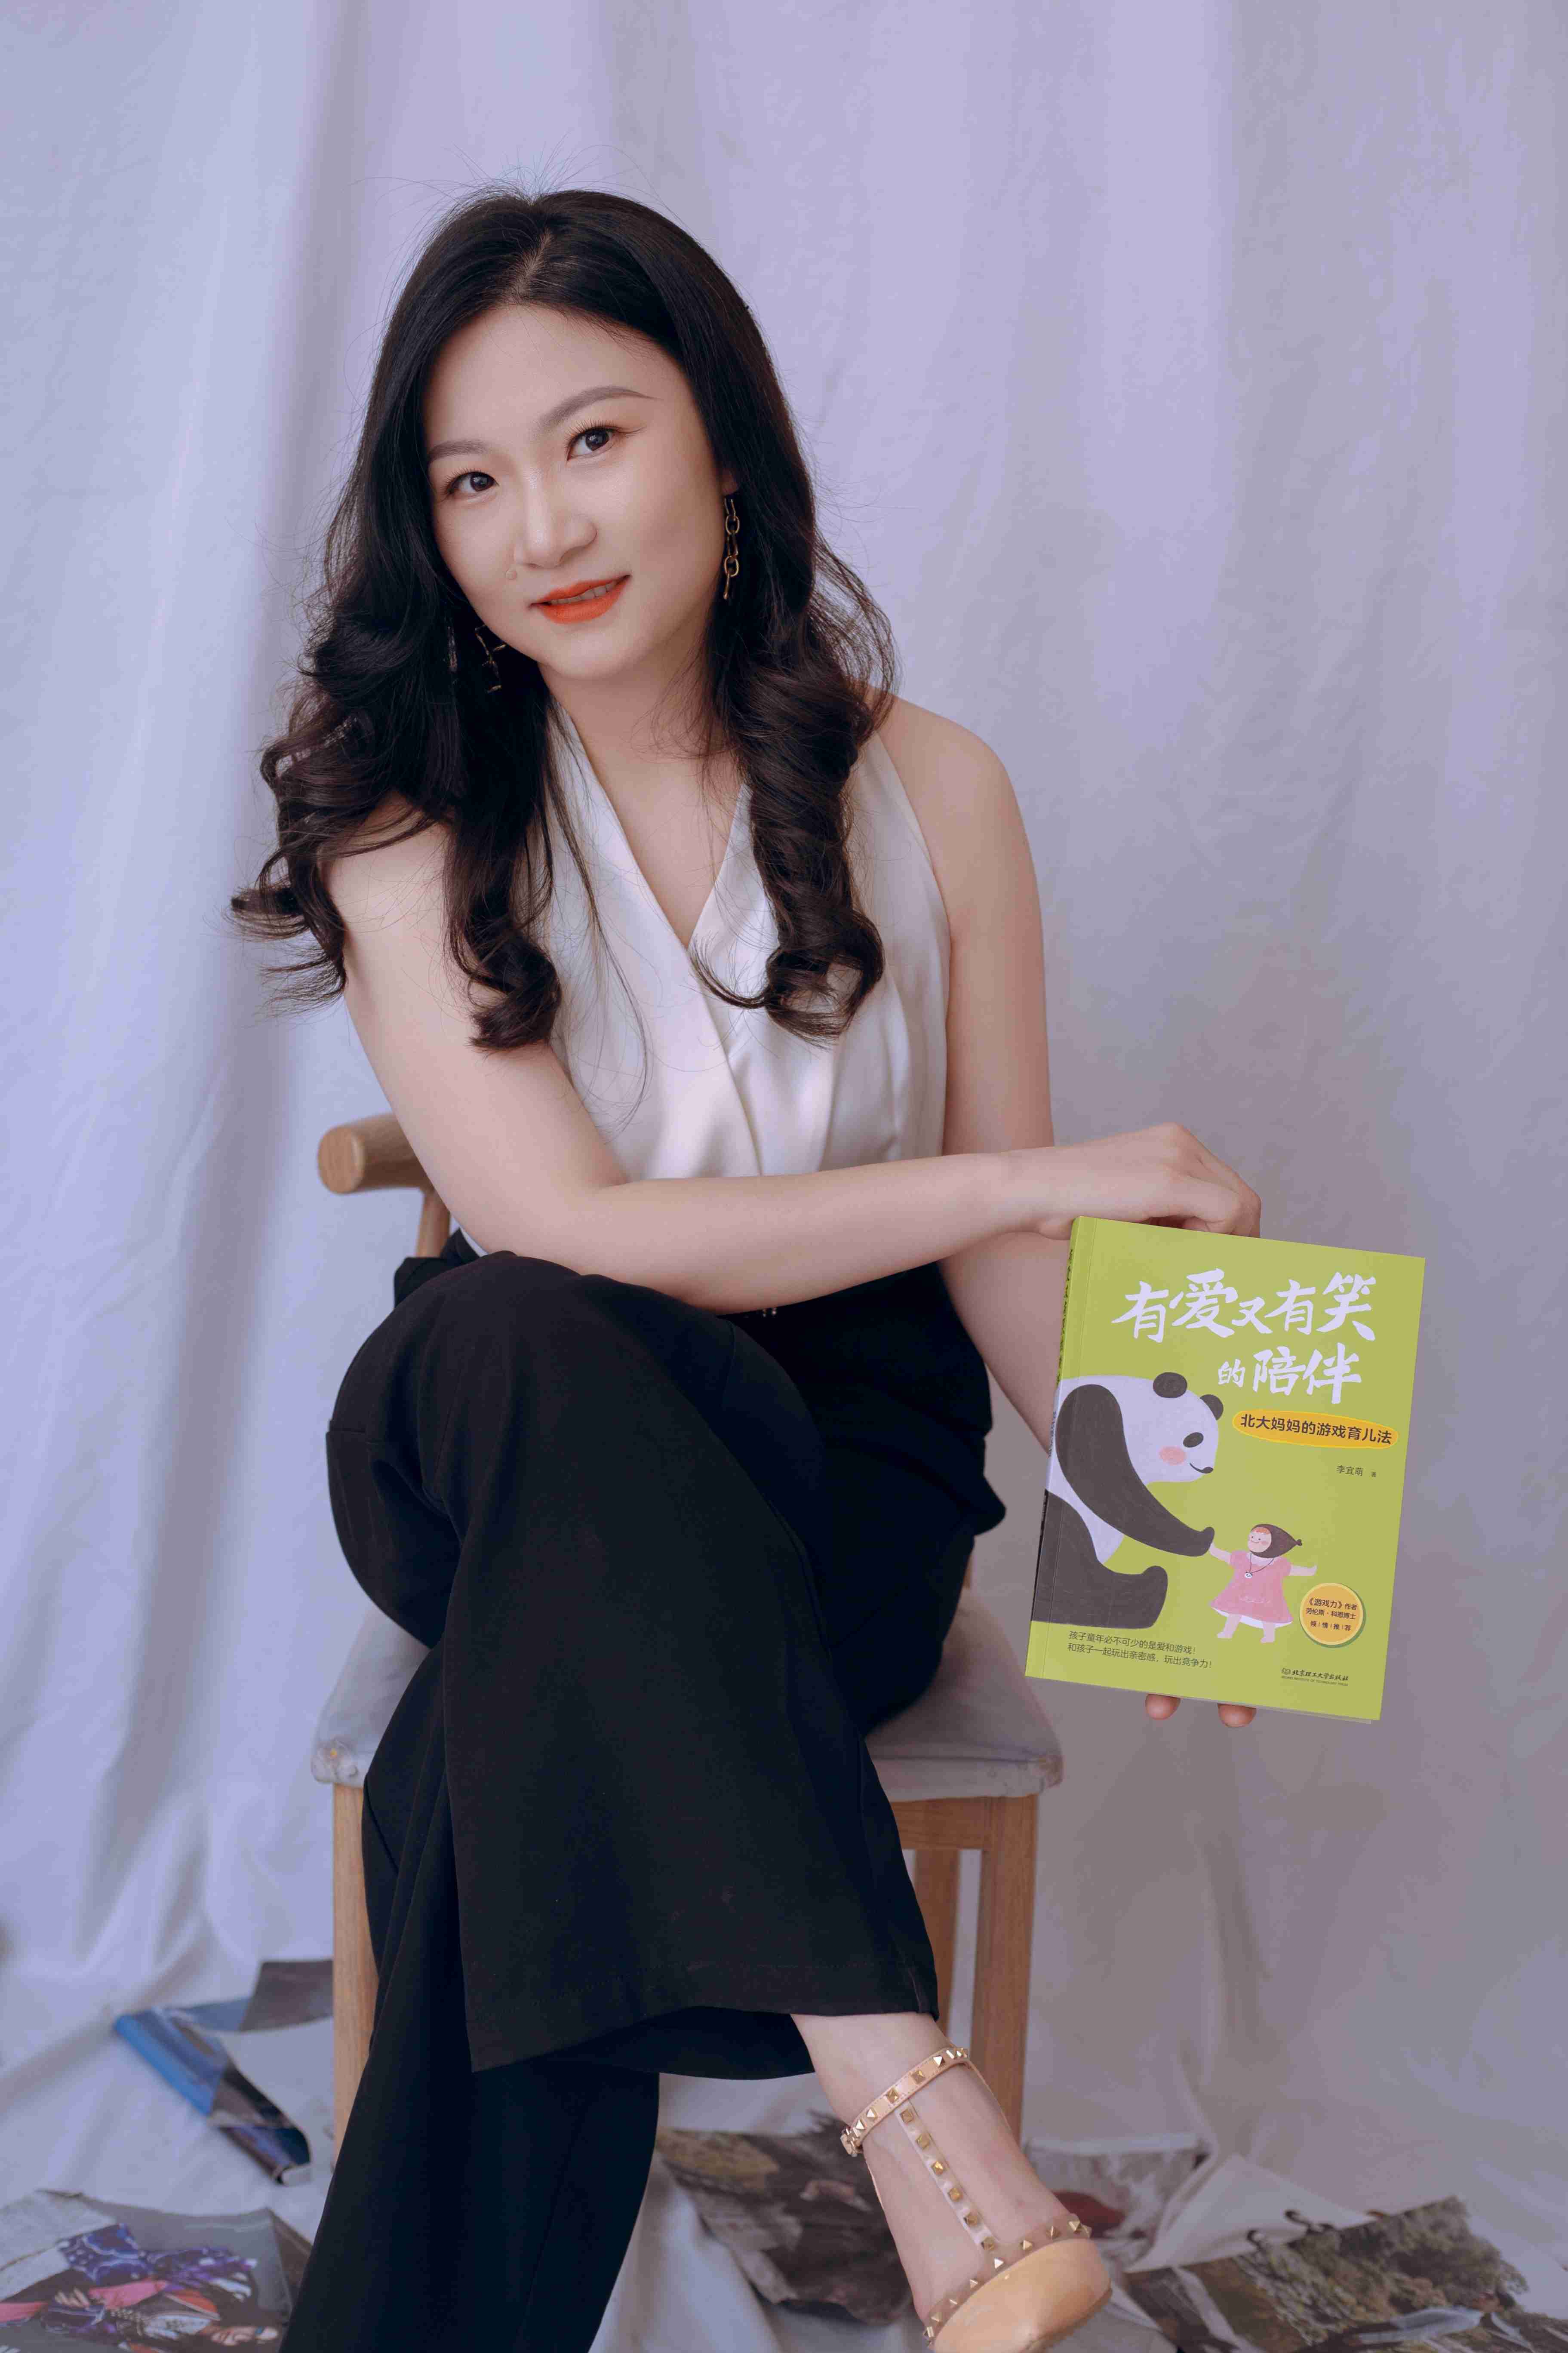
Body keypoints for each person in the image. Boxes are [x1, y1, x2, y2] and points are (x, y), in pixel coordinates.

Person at [229, 183, 1262, 2353]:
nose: (541, 527)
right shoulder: (408, 823)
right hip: (495, 1425)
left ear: (723, 440)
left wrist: (1184, 1540)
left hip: (830, 1480)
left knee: (491, 1753)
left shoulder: (935, 788)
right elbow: (576, 1233)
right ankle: (910, 2096)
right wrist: (1017, 1175)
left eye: (594, 440)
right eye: (472, 482)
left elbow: (1007, 1274)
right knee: (543, 1328)